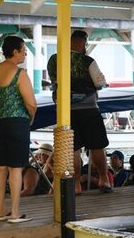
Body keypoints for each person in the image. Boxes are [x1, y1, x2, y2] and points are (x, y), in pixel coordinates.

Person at [47, 30, 112, 193]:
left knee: (73, 148)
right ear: (82, 43)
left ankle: (75, 185)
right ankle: (104, 180)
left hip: (65, 110)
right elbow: (99, 83)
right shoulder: (88, 61)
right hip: (89, 109)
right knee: (97, 146)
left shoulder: (54, 60)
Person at [0, 36, 37, 223]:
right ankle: (15, 212)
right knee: (16, 169)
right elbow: (31, 104)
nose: (25, 52)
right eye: (23, 49)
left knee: (0, 167)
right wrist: (30, 119)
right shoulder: (20, 73)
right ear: (15, 52)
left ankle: (1, 211)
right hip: (17, 123)